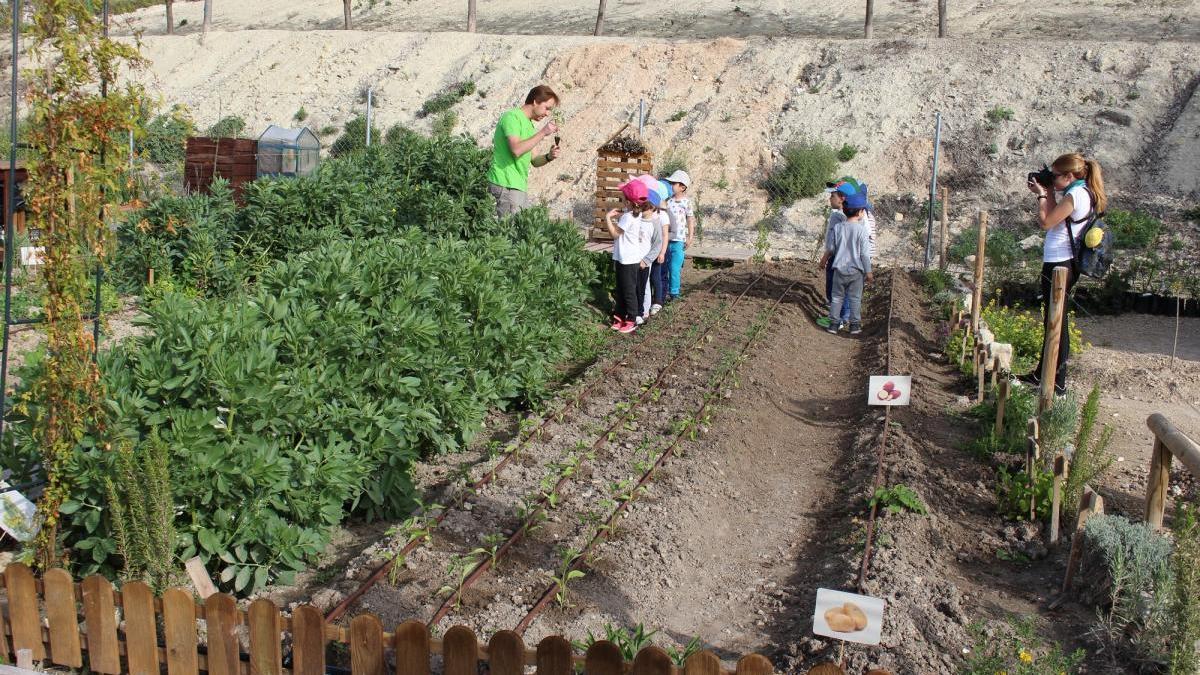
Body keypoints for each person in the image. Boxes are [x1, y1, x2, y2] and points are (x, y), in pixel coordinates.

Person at [1024, 153, 1107, 396]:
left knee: (1057, 323)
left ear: (1069, 176)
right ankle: (1043, 374)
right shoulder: (1080, 191)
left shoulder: (1076, 195)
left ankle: (1056, 382)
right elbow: (1056, 217)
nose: (1053, 179)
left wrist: (1041, 195)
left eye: (1056, 175)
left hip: (1060, 264)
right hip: (1061, 261)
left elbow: (1047, 222)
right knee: (1054, 319)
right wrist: (1048, 190)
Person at [486, 85, 562, 218]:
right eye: (547, 108)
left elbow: (534, 160)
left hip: (517, 186)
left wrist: (549, 156)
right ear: (535, 101)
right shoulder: (512, 117)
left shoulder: (529, 125)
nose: (547, 113)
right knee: (510, 233)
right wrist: (543, 132)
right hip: (506, 183)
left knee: (519, 232)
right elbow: (516, 149)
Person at [606, 180, 656, 334]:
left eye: (622, 198)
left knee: (628, 291)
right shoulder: (635, 214)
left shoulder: (628, 217)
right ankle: (620, 316)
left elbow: (615, 234)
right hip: (625, 258)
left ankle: (632, 319)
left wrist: (608, 217)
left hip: (627, 260)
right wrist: (620, 215)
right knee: (621, 289)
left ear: (627, 201)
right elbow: (628, 216)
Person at [825, 188, 873, 335]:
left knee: (837, 297)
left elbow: (832, 248)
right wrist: (868, 272)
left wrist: (826, 259)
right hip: (856, 271)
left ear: (844, 209)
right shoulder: (862, 231)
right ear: (860, 213)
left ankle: (833, 324)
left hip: (839, 269)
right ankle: (854, 325)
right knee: (855, 298)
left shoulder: (838, 227)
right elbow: (865, 254)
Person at [663, 170, 696, 304]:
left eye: (673, 183)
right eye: (670, 183)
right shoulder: (667, 202)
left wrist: (690, 237)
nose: (671, 186)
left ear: (682, 187)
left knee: (674, 268)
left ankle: (674, 293)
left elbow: (690, 219)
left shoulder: (686, 202)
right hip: (666, 240)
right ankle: (662, 293)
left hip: (678, 240)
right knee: (664, 267)